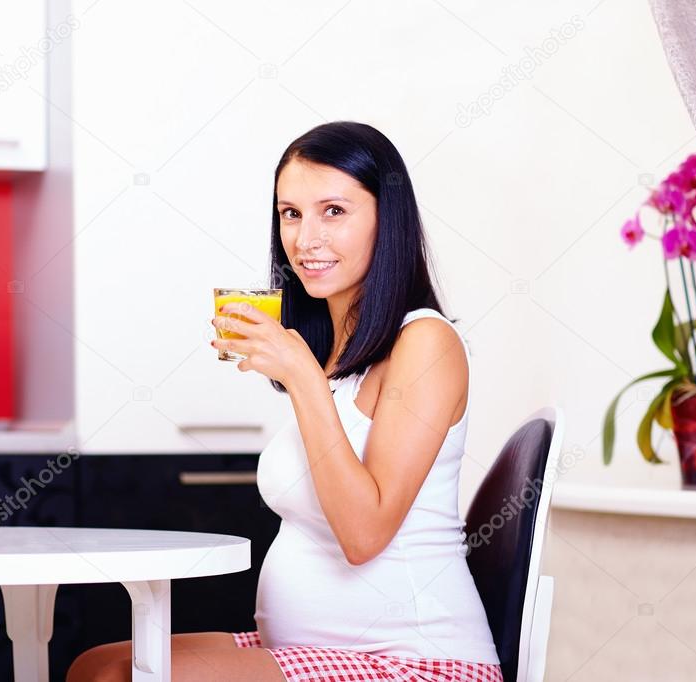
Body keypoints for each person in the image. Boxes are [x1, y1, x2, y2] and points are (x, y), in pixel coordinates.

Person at [66, 121, 503, 681]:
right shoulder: (342, 355)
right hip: (313, 650)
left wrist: (303, 379)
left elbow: (364, 535)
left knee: (119, 678)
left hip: (415, 663)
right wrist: (309, 374)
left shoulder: (425, 342)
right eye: (291, 213)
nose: (305, 239)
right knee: (94, 665)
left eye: (334, 211)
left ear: (385, 221)